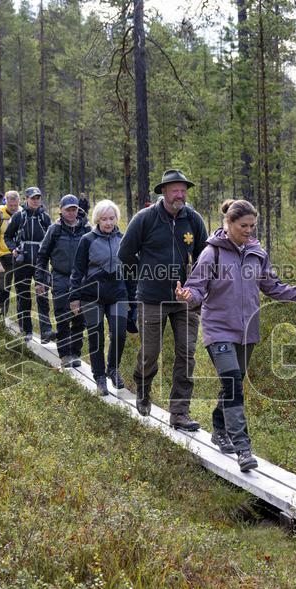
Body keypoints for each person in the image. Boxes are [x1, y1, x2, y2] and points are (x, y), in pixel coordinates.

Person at [175, 199, 296, 472]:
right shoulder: (213, 254)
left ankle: (219, 427)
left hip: (247, 332)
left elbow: (274, 288)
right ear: (229, 223)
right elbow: (196, 289)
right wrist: (187, 296)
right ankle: (243, 448)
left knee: (232, 383)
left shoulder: (258, 253)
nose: (248, 230)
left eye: (252, 226)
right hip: (218, 329)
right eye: (243, 225)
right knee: (233, 381)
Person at [118, 168, 208, 431]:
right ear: (164, 192)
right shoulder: (144, 219)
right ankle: (143, 387)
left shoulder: (193, 219)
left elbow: (205, 257)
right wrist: (145, 276)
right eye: (175, 190)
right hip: (152, 298)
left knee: (186, 354)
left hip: (185, 300)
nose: (180, 195)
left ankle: (179, 412)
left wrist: (196, 288)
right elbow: (124, 254)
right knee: (150, 353)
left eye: (184, 190)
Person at [69, 199, 135, 395]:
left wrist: (133, 299)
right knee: (95, 336)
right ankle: (99, 377)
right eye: (104, 219)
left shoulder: (124, 239)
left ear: (117, 218)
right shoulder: (87, 239)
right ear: (97, 219)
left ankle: (113, 368)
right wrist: (74, 297)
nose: (108, 222)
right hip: (92, 295)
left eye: (111, 218)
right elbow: (77, 270)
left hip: (118, 294)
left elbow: (131, 271)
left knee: (120, 333)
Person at [36, 194, 90, 367]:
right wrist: (40, 281)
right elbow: (42, 256)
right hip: (60, 277)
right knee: (62, 316)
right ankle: (65, 354)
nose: (71, 213)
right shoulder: (55, 230)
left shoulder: (86, 229)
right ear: (61, 210)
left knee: (80, 317)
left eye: (74, 209)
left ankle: (75, 353)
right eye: (68, 210)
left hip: (82, 280)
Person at [3, 186, 54, 342]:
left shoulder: (45, 218)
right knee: (23, 296)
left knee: (42, 296)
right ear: (26, 199)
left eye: (38, 198)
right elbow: (7, 236)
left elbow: (52, 239)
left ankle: (46, 332)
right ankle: (26, 331)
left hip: (41, 262)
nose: (35, 200)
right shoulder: (19, 216)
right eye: (32, 198)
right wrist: (13, 250)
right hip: (21, 262)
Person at [0, 190, 21, 317]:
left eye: (15, 205)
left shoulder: (23, 214)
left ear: (19, 202)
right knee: (4, 289)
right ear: (6, 202)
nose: (13, 208)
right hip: (3, 257)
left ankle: (21, 319)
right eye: (11, 205)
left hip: (18, 256)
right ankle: (1, 315)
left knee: (20, 289)